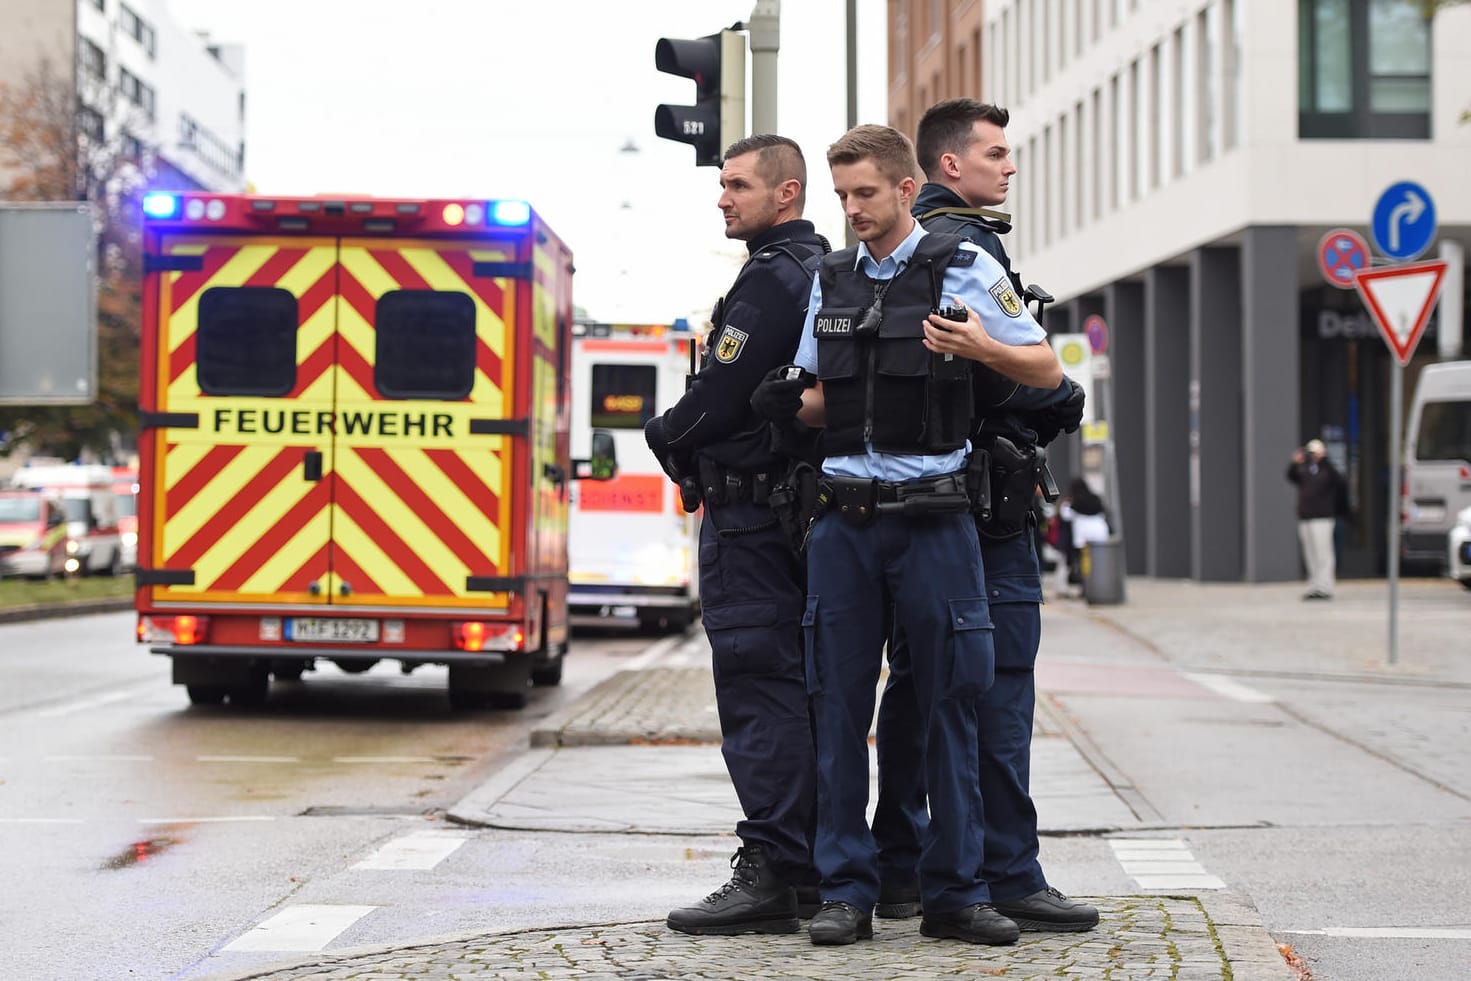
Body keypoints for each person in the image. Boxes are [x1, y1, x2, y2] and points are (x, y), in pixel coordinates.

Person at [752, 123, 1060, 948]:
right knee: (837, 705)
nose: (852, 210)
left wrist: (980, 344)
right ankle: (845, 892)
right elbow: (823, 398)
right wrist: (788, 403)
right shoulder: (831, 277)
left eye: (864, 193)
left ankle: (954, 892)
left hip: (936, 520)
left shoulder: (963, 264)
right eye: (841, 195)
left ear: (901, 187)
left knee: (952, 705)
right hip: (844, 523)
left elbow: (1047, 369)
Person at [869, 99, 1099, 934]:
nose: (1009, 167)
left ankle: (900, 861)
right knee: (995, 688)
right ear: (949, 167)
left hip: (918, 509)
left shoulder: (899, 247)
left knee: (919, 690)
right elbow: (998, 373)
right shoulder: (963, 246)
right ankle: (1006, 869)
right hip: (983, 506)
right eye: (996, 154)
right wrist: (1061, 391)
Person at [644, 135, 830, 937]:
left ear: (784, 193)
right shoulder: (812, 269)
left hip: (751, 519)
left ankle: (774, 870)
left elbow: (717, 395)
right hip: (788, 512)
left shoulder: (772, 279)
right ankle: (816, 862)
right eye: (721, 185)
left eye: (737, 185)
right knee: (802, 689)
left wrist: (663, 434)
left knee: (759, 689)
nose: (722, 198)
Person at [1286, 438, 1344, 600]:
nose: (1312, 456)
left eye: (1315, 452)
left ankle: (1325, 586)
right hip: (1306, 517)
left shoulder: (1326, 470)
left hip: (1323, 518)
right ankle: (1314, 585)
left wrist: (1324, 459)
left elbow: (1338, 479)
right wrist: (1295, 462)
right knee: (1310, 553)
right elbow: (1291, 476)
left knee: (1323, 552)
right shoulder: (1304, 470)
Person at [1058, 476, 1110, 595]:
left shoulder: (1073, 502)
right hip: (1100, 532)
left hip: (1082, 536)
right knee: (1099, 563)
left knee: (1084, 563)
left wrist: (1065, 502)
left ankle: (1086, 587)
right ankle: (1099, 586)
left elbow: (1065, 515)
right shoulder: (1095, 498)